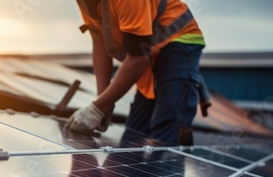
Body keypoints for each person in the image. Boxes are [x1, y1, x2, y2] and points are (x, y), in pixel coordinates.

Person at [66, 0, 206, 145]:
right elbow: (99, 40)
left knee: (165, 138)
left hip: (178, 45)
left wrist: (97, 108)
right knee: (132, 141)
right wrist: (103, 102)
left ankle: (169, 155)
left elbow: (138, 59)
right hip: (148, 54)